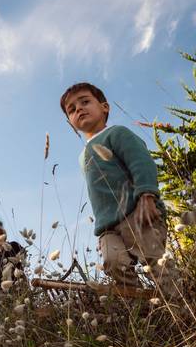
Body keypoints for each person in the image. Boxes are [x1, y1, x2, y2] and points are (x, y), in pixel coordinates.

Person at [60, 82, 167, 288]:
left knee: (155, 262)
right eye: (72, 110)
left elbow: (141, 162)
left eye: (84, 102)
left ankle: (179, 302)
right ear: (71, 122)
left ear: (104, 107)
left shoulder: (117, 133)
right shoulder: (82, 156)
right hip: (108, 227)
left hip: (138, 212)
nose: (79, 109)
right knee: (113, 263)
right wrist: (101, 230)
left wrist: (147, 195)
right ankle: (141, 304)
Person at [0, 216, 25, 285]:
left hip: (16, 291)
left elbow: (22, 253)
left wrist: (1, 245)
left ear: (0, 233)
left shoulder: (11, 246)